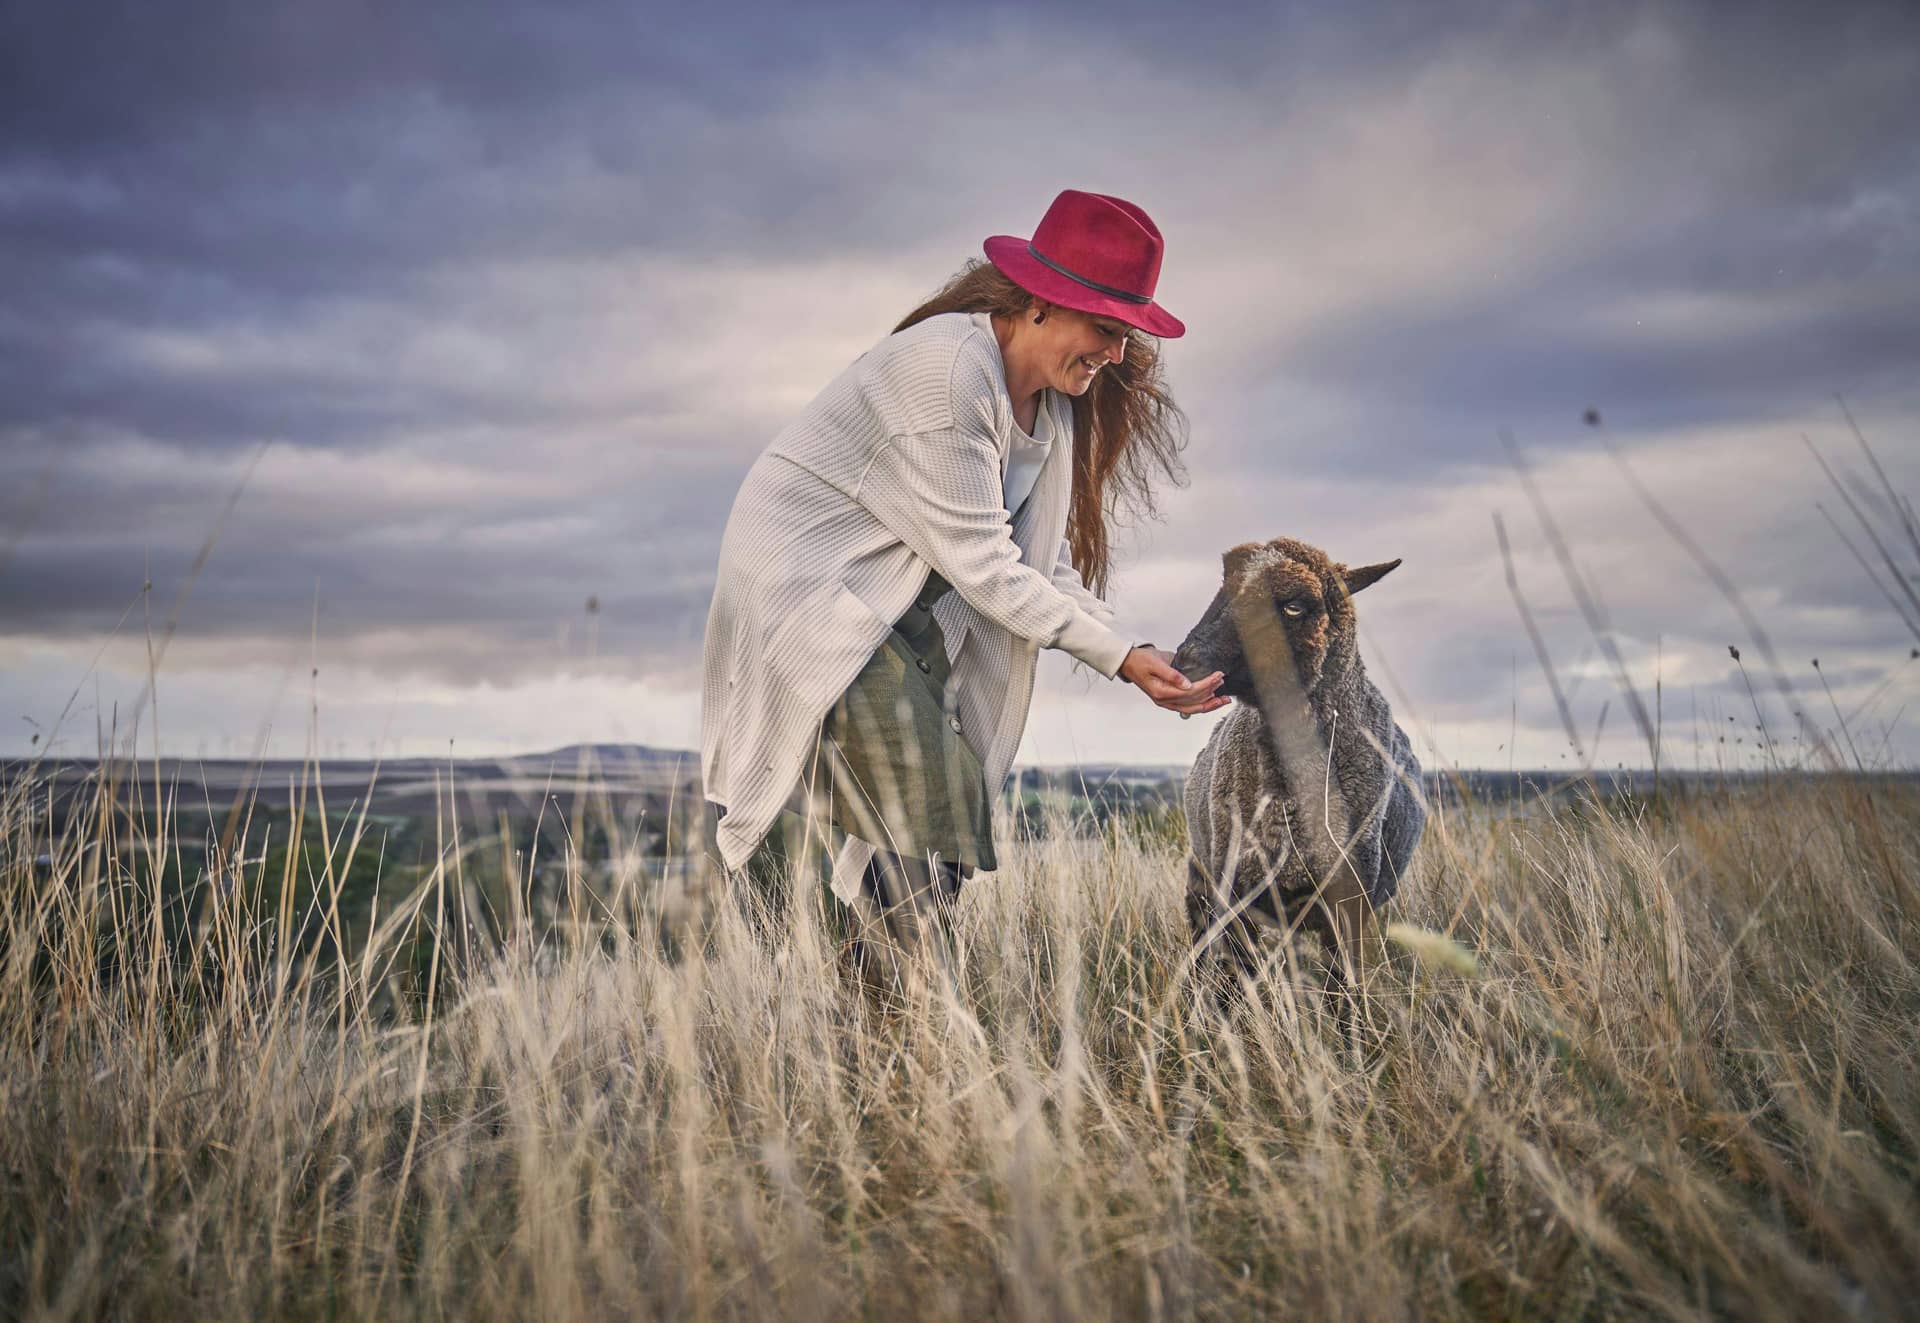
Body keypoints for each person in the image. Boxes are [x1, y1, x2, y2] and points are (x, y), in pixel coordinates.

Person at [699, 189, 1227, 983]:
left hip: (890, 593)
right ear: (1044, 302)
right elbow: (985, 568)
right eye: (1108, 329)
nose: (1117, 354)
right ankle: (902, 999)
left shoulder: (1051, 408)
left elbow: (1036, 562)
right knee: (928, 791)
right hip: (809, 585)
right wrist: (1118, 659)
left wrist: (1132, 649)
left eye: (1126, 335)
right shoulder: (950, 376)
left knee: (945, 800)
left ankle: (878, 993)